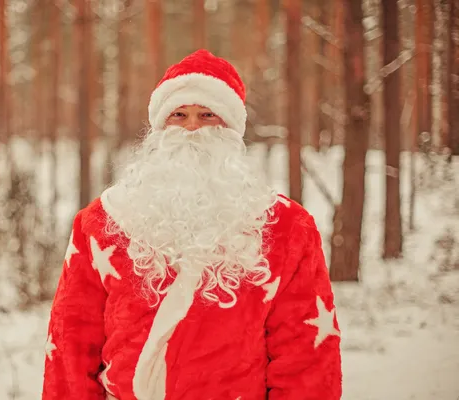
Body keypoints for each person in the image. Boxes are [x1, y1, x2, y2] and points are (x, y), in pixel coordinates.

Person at [42, 49, 342, 400]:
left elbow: (306, 354)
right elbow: (71, 344)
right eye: (179, 115)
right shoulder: (102, 222)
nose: (192, 128)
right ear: (159, 129)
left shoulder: (286, 227)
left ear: (231, 129)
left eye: (208, 115)